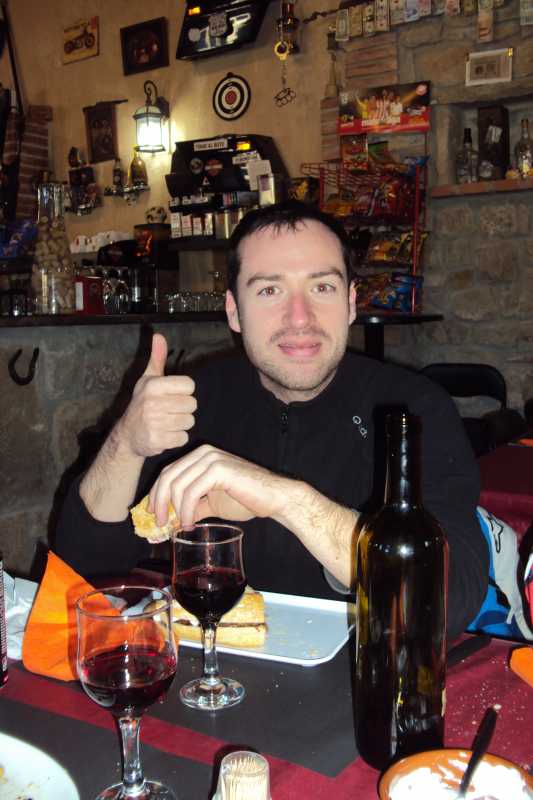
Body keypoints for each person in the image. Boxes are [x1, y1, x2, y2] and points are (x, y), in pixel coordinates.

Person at [55, 200, 489, 640]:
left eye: (322, 287)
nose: (299, 318)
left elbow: (448, 599)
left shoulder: (411, 411)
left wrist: (286, 500)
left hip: (363, 666)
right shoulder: (194, 401)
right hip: (215, 667)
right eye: (269, 291)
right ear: (233, 311)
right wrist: (126, 443)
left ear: (350, 303)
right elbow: (81, 569)